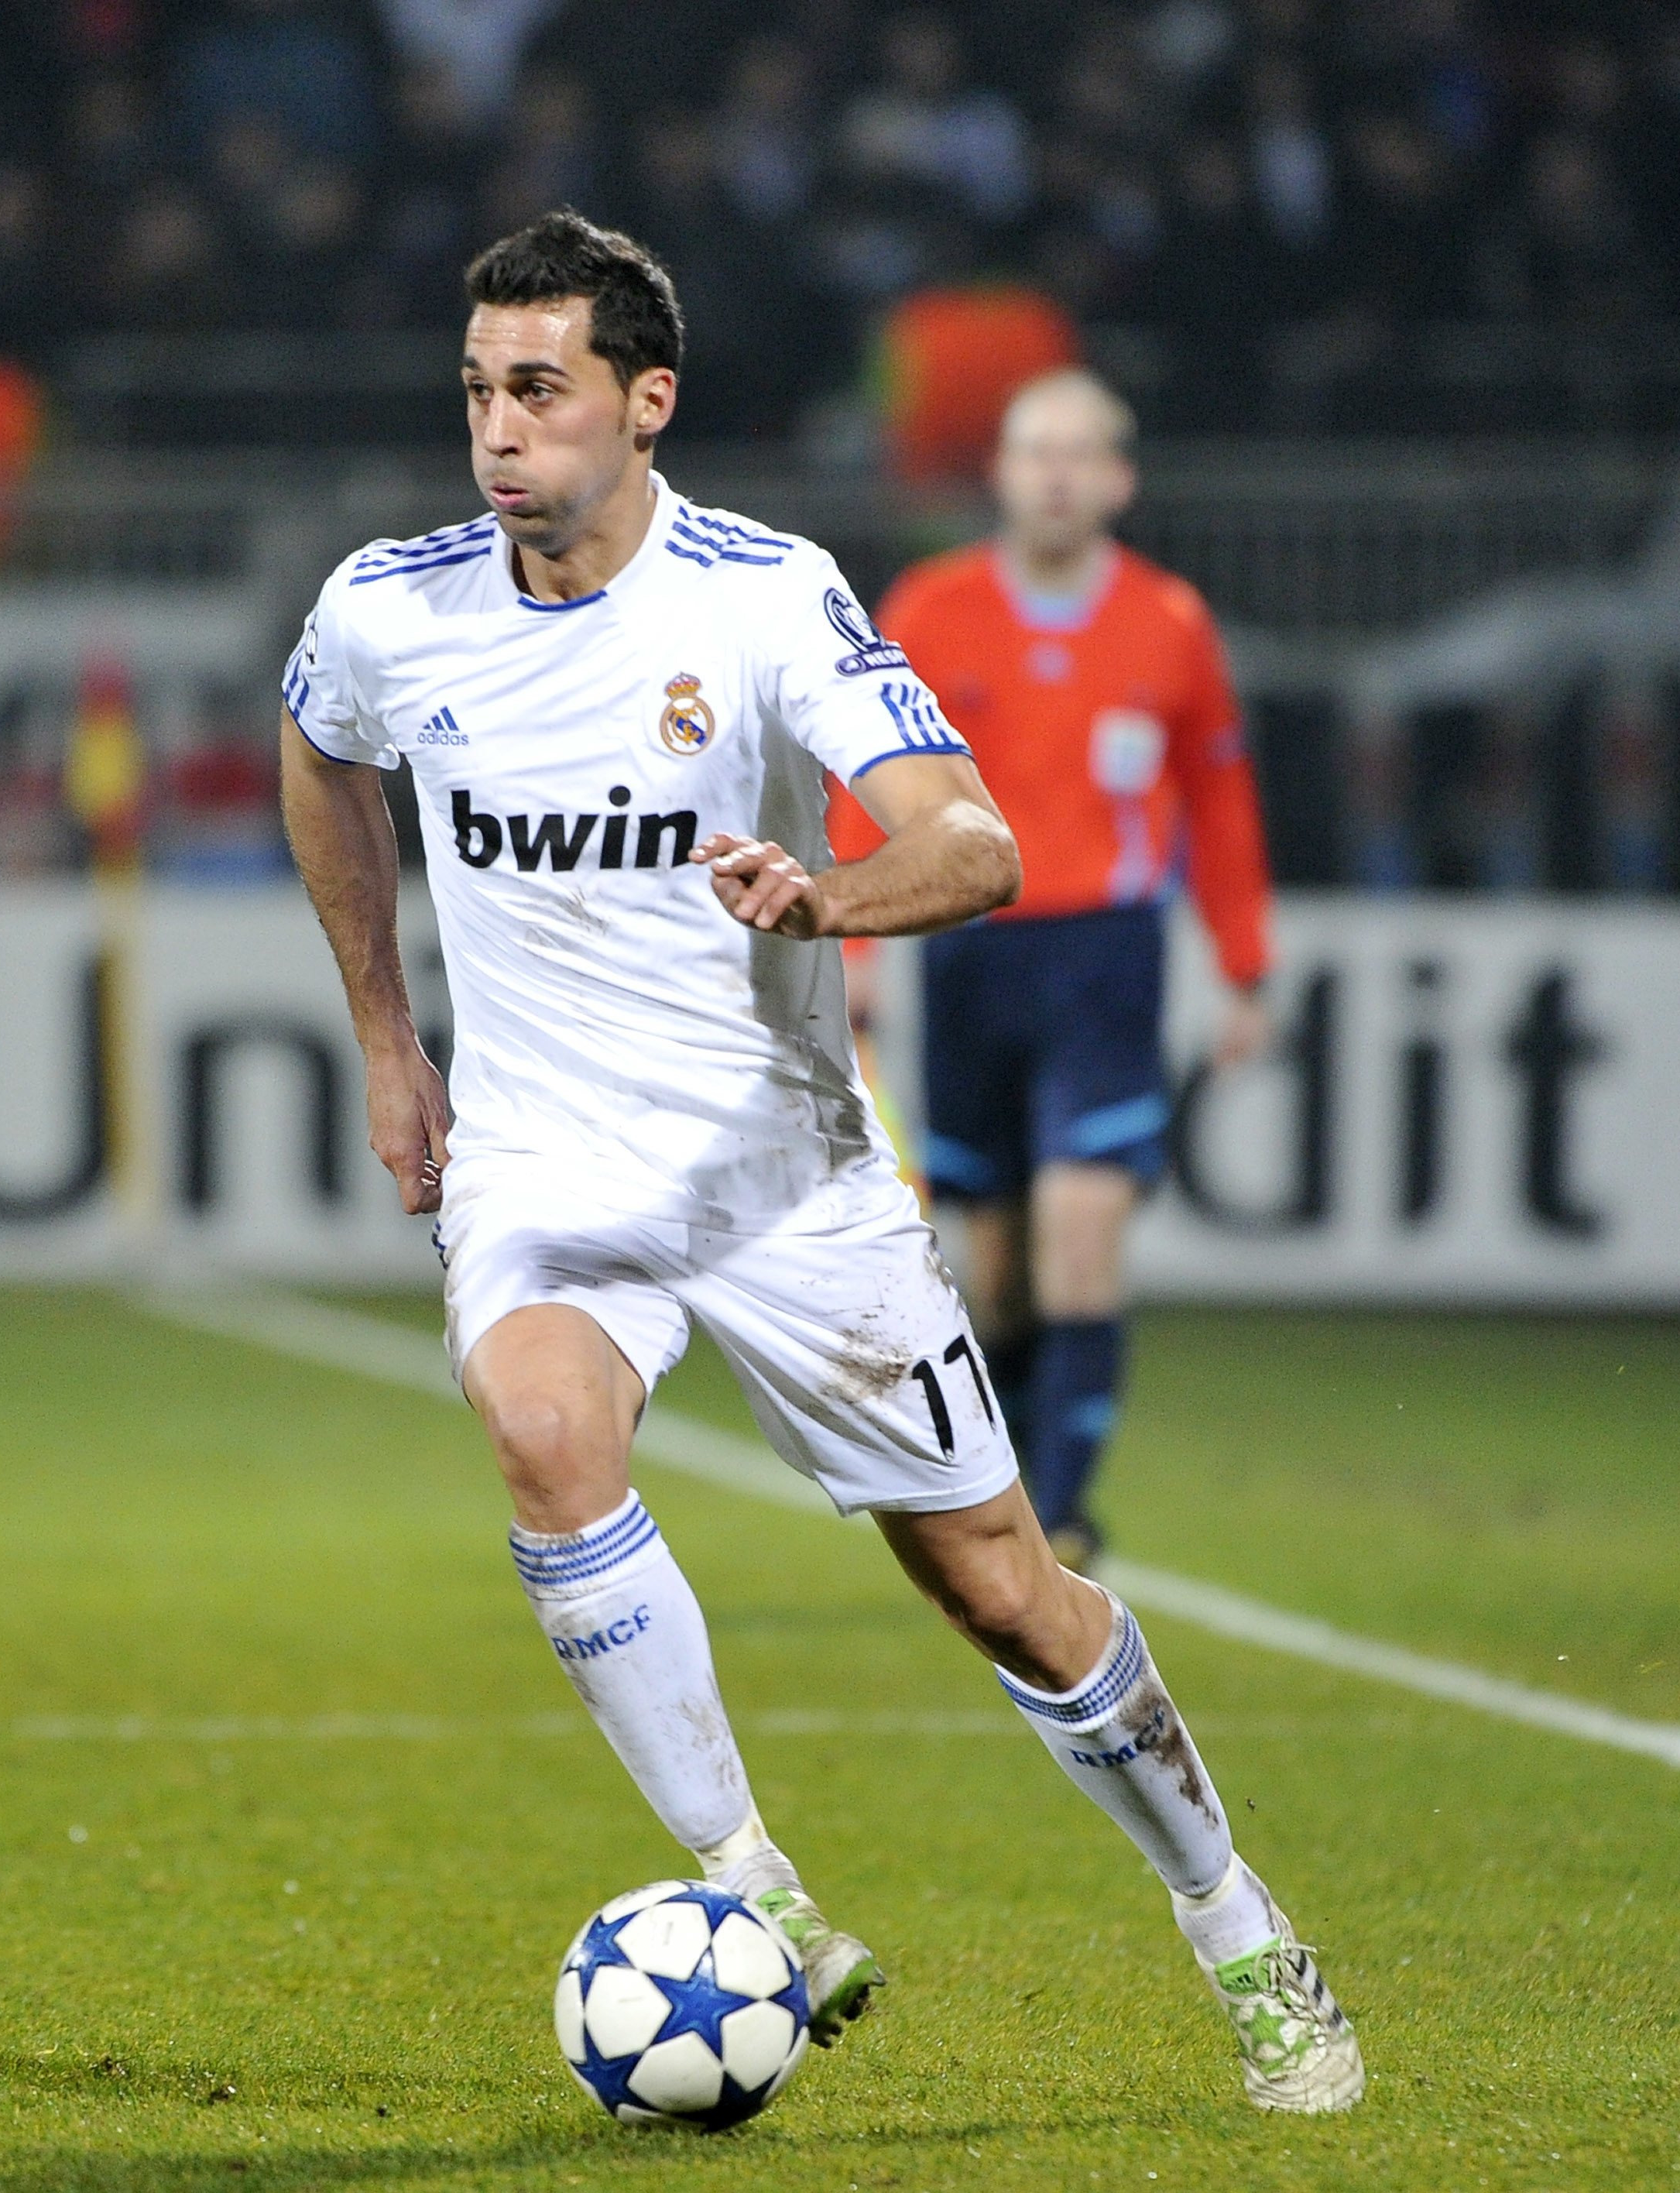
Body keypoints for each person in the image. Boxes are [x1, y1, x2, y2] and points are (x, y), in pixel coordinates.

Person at [279, 210, 1362, 2115]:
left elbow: (979, 839)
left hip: (784, 1173)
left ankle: (1239, 1921)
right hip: (543, 1156)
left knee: (1005, 1588)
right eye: (476, 391)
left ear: (647, 399)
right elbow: (320, 752)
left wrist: (827, 896)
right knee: (542, 1430)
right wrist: (388, 1030)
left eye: (539, 390)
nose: (498, 432)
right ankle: (756, 1883)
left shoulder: (765, 598)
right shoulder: (394, 604)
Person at [845, 369, 1274, 1574]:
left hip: (1107, 959)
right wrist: (863, 938)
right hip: (973, 951)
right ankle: (1021, 1478)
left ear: (1119, 479)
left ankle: (1061, 1514)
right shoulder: (931, 610)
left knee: (1083, 1228)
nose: (1057, 475)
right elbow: (859, 776)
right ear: (1002, 472)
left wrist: (1246, 967)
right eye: (1037, 452)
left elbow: (1220, 804)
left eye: (1081, 455)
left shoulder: (1172, 626)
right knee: (998, 1267)